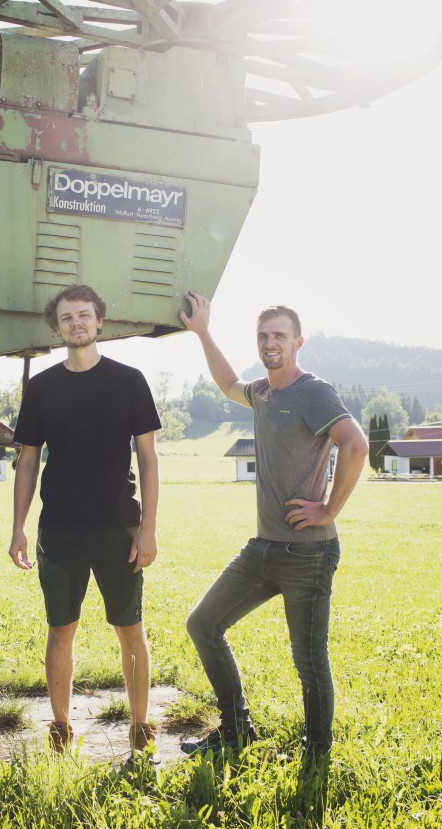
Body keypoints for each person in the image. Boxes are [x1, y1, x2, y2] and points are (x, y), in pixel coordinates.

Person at [178, 292, 368, 759]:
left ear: (298, 342)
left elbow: (356, 444)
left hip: (308, 553)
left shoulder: (314, 392)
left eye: (279, 335)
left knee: (308, 661)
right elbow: (227, 384)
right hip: (263, 549)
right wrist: (202, 331)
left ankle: (316, 755)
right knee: (204, 624)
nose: (270, 343)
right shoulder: (263, 394)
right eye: (263, 336)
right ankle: (237, 729)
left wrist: (327, 509)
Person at [9, 284, 162, 757]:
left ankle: (140, 726)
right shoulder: (42, 388)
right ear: (57, 328)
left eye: (84, 315)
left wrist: (150, 529)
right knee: (61, 630)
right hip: (59, 529)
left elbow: (149, 458)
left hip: (119, 527)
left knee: (130, 629)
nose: (76, 323)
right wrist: (18, 525)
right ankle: (59, 728)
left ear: (100, 323)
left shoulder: (129, 380)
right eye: (67, 317)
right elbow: (28, 461)